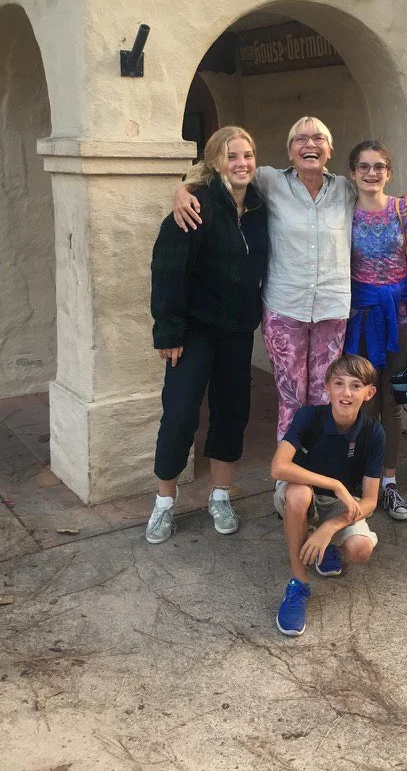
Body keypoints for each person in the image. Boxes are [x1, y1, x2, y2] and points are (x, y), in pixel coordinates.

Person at [173, 116, 407, 443]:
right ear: (290, 151)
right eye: (300, 139)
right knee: (291, 401)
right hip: (284, 311)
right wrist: (183, 189)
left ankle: (316, 468)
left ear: (329, 150)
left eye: (318, 138)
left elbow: (377, 191)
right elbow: (222, 169)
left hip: (332, 312)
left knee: (324, 397)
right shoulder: (269, 181)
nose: (310, 144)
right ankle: (287, 471)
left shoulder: (345, 189)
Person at [146, 126, 268, 544]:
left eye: (247, 155)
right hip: (194, 331)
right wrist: (168, 330)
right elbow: (167, 267)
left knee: (232, 412)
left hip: (237, 331)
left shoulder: (260, 206)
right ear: (216, 161)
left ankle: (220, 496)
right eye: (232, 156)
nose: (242, 163)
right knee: (180, 414)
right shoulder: (197, 205)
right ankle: (164, 502)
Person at [343, 140, 407, 522]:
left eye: (379, 166)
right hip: (362, 319)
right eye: (363, 166)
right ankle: (363, 480)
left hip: (399, 320)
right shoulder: (344, 213)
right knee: (364, 401)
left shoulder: (404, 211)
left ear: (389, 172)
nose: (371, 173)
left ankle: (390, 482)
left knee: (392, 403)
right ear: (352, 173)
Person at [270, 354, 385, 636]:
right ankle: (298, 583)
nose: (346, 393)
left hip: (337, 504)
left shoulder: (373, 432)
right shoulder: (309, 416)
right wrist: (335, 484)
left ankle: (326, 546)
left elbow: (370, 501)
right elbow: (278, 467)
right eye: (339, 384)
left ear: (369, 393)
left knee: (361, 549)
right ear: (327, 387)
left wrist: (330, 528)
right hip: (303, 493)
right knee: (298, 494)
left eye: (356, 386)